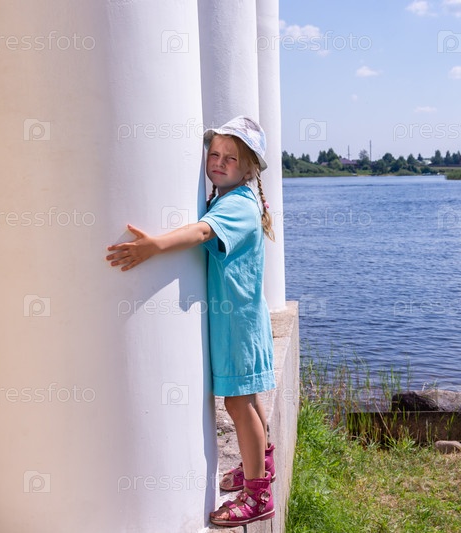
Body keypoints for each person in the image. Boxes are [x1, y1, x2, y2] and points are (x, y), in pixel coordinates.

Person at [105, 116, 277, 527]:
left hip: (236, 323)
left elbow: (202, 233)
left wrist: (154, 246)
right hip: (244, 318)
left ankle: (258, 495)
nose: (218, 162)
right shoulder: (236, 197)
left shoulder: (236, 205)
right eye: (214, 154)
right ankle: (260, 466)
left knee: (237, 402)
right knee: (248, 398)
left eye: (230, 158)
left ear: (249, 169)